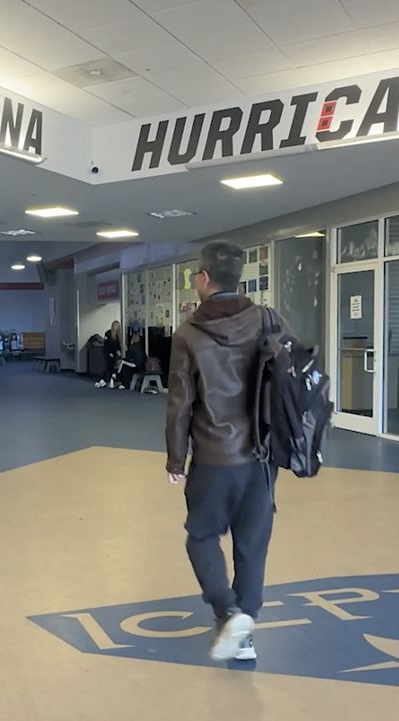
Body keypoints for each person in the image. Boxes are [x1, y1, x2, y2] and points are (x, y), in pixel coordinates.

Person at [166, 241, 291, 663]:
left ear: (203, 278)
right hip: (261, 459)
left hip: (214, 459)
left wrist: (174, 459)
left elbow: (180, 403)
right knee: (252, 547)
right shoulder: (269, 320)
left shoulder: (188, 334)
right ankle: (246, 633)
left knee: (201, 538)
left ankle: (228, 610)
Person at [95, 321, 124, 389]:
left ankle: (107, 380)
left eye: (117, 326)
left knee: (112, 367)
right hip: (107, 353)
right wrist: (109, 352)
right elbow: (107, 344)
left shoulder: (118, 335)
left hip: (114, 353)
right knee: (108, 367)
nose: (116, 327)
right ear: (113, 326)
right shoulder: (108, 333)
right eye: (115, 325)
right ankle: (101, 380)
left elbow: (117, 345)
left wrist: (118, 351)